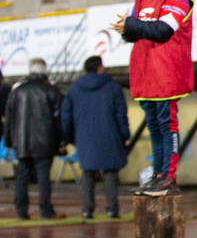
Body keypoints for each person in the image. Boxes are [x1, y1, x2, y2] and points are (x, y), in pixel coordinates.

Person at [110, 0, 195, 196]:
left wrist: (132, 24)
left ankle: (169, 176)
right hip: (144, 70)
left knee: (167, 125)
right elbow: (136, 32)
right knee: (154, 127)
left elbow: (162, 30)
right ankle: (157, 174)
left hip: (167, 71)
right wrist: (126, 30)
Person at [61, 56, 129, 219]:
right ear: (99, 68)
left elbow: (66, 115)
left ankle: (87, 209)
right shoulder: (113, 87)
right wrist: (125, 134)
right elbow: (121, 114)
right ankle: (112, 209)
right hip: (110, 134)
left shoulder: (74, 88)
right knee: (110, 172)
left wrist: (68, 138)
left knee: (87, 172)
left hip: (84, 135)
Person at [4, 58, 64, 220]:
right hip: (46, 141)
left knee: (22, 176)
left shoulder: (17, 91)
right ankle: (46, 210)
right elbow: (59, 119)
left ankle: (21, 212)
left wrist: (9, 141)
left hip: (22, 142)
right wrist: (62, 141)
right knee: (43, 177)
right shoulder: (51, 90)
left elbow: (10, 118)